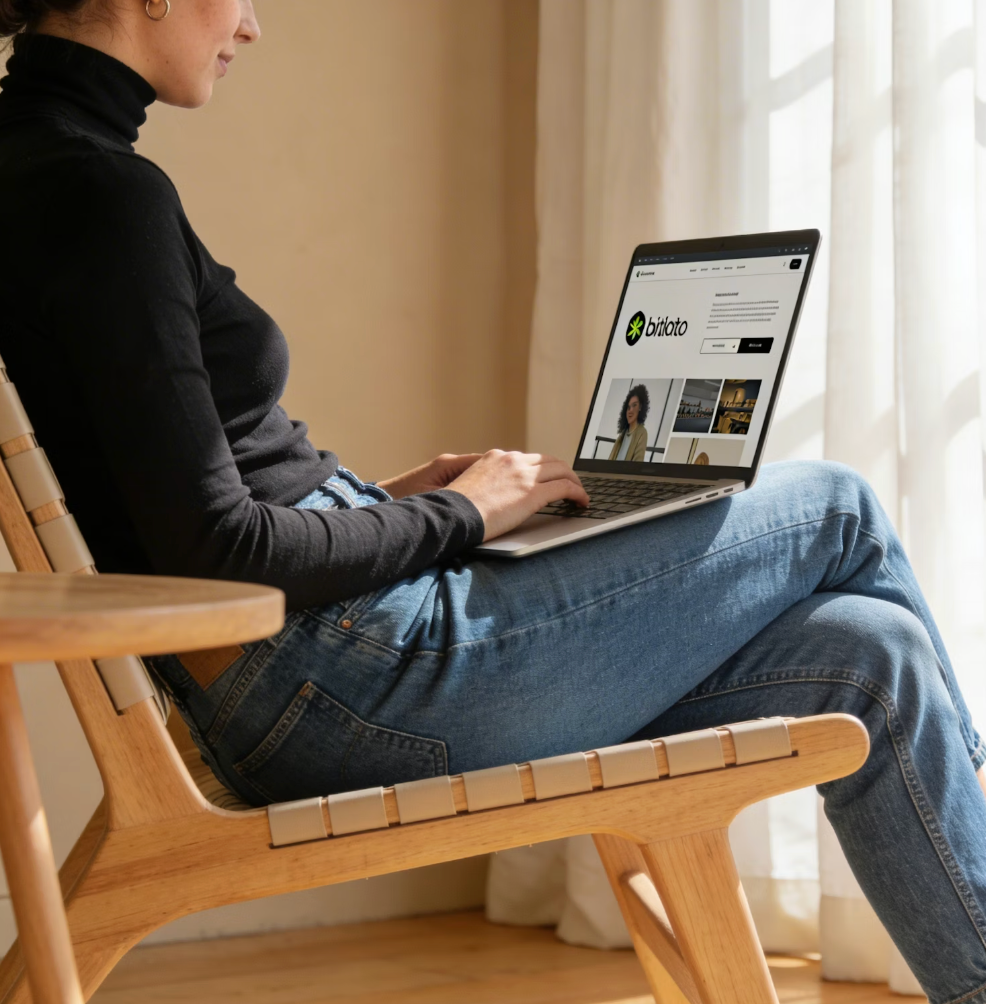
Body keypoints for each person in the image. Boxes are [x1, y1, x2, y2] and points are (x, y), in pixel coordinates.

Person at [1, 3, 985, 999]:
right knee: (835, 505)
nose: (250, 25)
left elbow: (175, 503)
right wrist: (464, 511)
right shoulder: (98, 193)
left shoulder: (42, 162)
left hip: (323, 663)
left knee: (869, 648)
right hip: (347, 682)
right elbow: (221, 549)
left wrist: (394, 499)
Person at [607, 383, 649, 462]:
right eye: (628, 407)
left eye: (634, 405)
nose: (630, 411)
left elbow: (637, 464)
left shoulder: (642, 433)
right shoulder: (623, 433)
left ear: (640, 407)